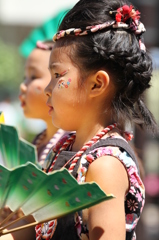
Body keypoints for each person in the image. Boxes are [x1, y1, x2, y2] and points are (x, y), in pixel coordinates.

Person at [36, 0, 158, 240]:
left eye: (58, 75)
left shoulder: (105, 166)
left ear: (97, 84)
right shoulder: (66, 149)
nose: (47, 90)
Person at [19, 40, 68, 165]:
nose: (22, 87)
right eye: (25, 78)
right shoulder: (38, 141)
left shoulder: (72, 146)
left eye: (33, 77)